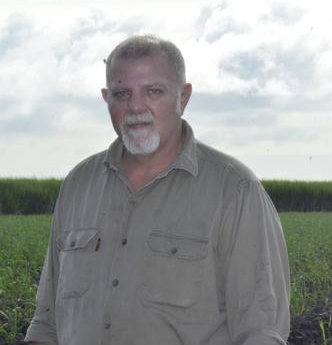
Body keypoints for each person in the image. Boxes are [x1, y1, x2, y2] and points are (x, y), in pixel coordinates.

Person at [24, 35, 291, 345]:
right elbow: (46, 323)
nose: (136, 106)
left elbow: (261, 331)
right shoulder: (78, 185)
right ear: (106, 98)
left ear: (184, 97)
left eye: (153, 91)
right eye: (122, 93)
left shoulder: (235, 191)